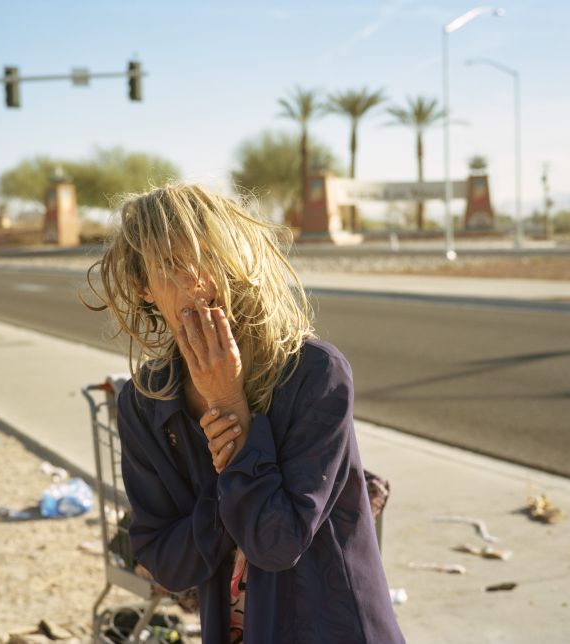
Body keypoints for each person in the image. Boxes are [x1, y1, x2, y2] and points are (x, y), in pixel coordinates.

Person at [87, 184, 404, 643]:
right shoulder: (147, 404)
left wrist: (230, 407)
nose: (198, 283)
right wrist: (225, 499)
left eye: (210, 258)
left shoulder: (313, 374)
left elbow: (276, 543)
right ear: (144, 288)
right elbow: (164, 560)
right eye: (172, 267)